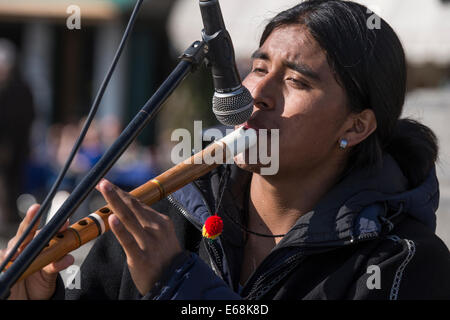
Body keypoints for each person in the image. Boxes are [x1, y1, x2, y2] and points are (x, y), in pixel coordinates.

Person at [2, 0, 450, 300]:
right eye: (258, 68)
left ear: (356, 125)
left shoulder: (403, 261)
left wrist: (178, 283)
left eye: (297, 81)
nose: (259, 93)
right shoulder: (171, 221)